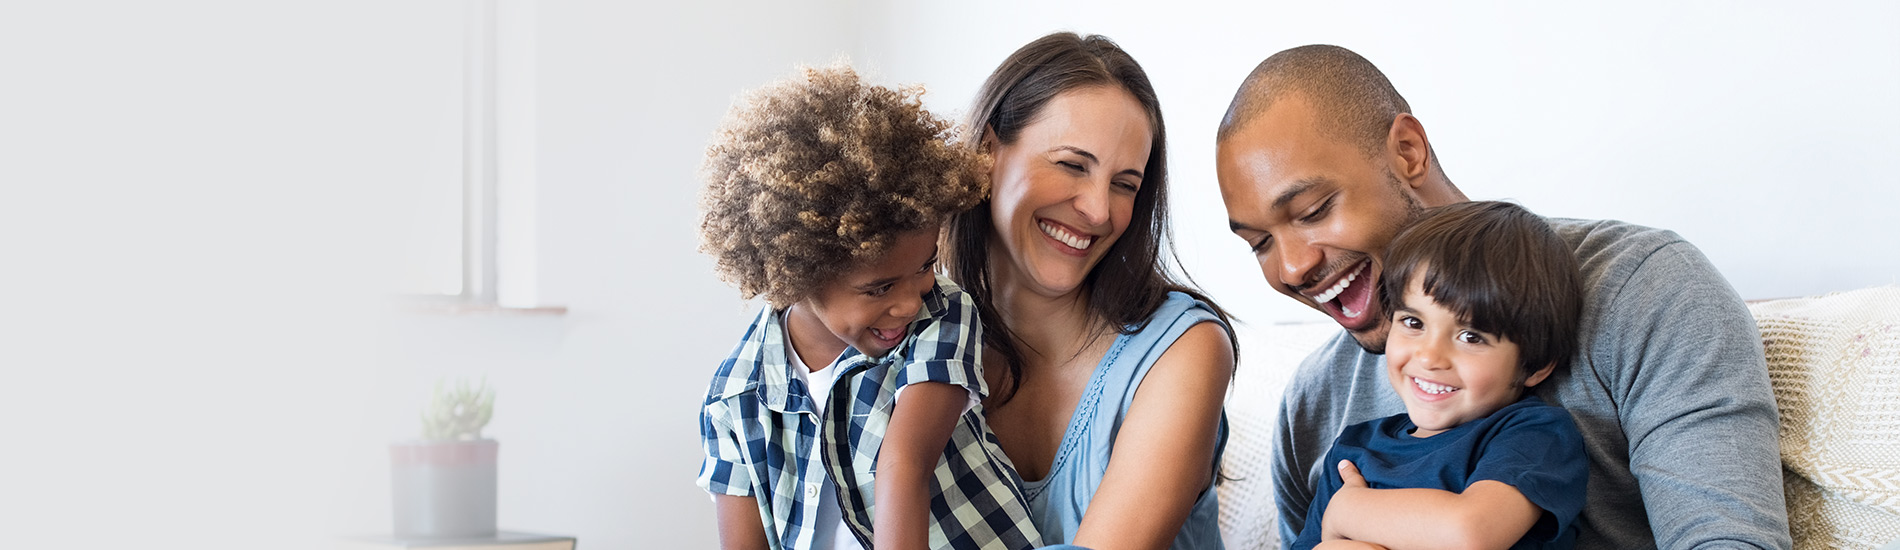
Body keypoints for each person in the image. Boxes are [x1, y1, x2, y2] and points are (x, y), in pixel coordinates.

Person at [1214, 44, 1790, 549]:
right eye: (1260, 243)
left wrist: (1355, 511)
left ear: (1408, 152)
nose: (1292, 267)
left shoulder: (1644, 290)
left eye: (1314, 211)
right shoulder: (1313, 406)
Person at [694, 64, 1040, 550]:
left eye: (924, 265)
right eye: (879, 288)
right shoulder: (734, 396)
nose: (907, 302)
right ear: (801, 274)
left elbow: (904, 465)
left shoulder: (941, 316)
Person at [945, 32, 1237, 550]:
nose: (1099, 211)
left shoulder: (1183, 349)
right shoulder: (917, 335)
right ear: (989, 153)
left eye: (1125, 184)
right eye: (1072, 165)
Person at [1289, 201, 1589, 550]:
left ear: (1536, 366)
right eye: (1413, 323)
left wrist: (1348, 510)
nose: (1430, 357)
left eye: (1471, 337)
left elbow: (1470, 533)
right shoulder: (1353, 452)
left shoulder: (1533, 434)